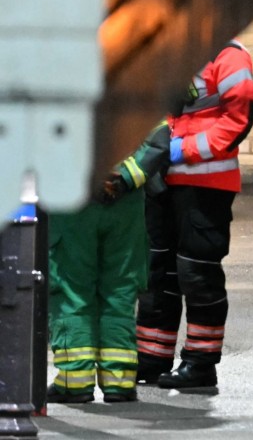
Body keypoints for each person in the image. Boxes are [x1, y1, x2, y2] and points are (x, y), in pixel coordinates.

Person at [135, 38, 253, 389]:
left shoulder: (228, 56)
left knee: (197, 271)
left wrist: (184, 149)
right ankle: (152, 358)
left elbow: (242, 113)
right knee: (158, 270)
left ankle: (201, 363)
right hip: (162, 180)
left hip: (207, 185)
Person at [46, 121, 170, 403]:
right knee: (120, 291)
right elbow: (158, 139)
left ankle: (73, 382)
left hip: (73, 204)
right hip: (124, 204)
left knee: (72, 291)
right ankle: (119, 382)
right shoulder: (136, 82)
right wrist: (122, 179)